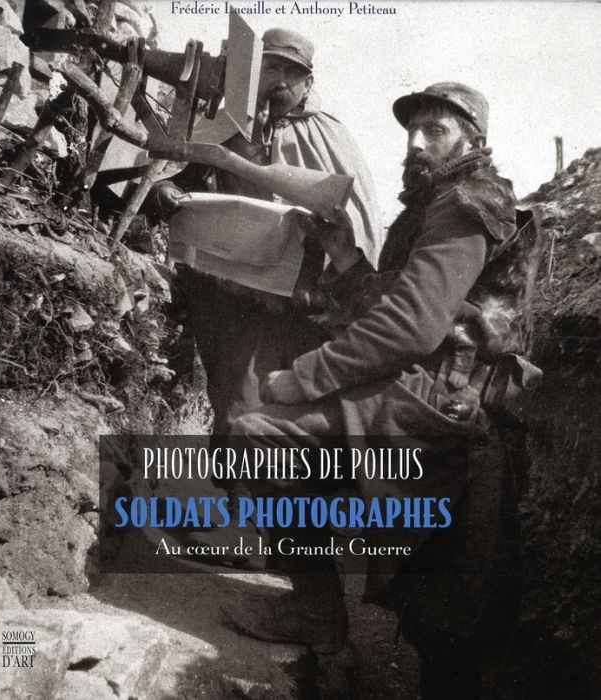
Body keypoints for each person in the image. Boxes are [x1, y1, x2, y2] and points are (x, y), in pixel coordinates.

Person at [227, 83, 538, 697]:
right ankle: (320, 615)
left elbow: (409, 327)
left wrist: (303, 376)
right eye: (412, 130)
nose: (417, 142)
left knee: (447, 632)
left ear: (474, 139)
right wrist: (346, 259)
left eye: (436, 130)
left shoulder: (466, 204)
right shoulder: (437, 204)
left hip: (446, 417)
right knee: (442, 623)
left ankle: (319, 612)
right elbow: (400, 308)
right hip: (428, 402)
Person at [150, 28, 382, 569]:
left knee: (275, 414)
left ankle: (270, 539)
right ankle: (238, 524)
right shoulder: (220, 122)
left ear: (308, 82)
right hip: (225, 291)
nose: (276, 83)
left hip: (299, 297)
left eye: (289, 73)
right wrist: (169, 190)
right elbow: (171, 173)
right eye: (267, 70)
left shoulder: (328, 134)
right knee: (233, 398)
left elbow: (356, 215)